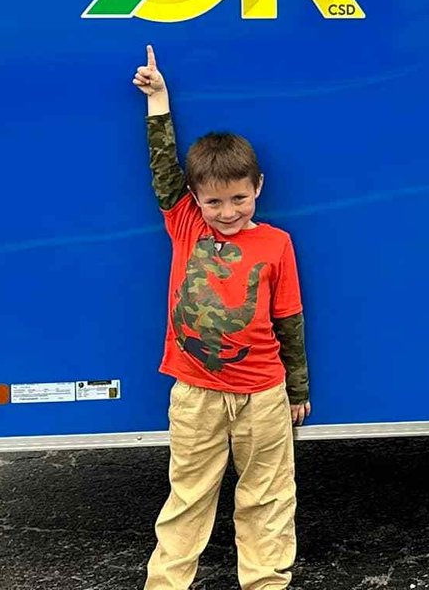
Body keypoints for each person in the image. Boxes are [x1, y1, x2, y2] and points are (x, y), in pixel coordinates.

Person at [133, 45, 311, 590]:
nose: (228, 212)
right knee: (188, 497)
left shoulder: (277, 243)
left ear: (257, 188)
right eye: (214, 202)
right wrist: (158, 101)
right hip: (196, 393)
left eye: (238, 198)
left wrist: (297, 388)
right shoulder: (186, 225)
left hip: (264, 394)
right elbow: (164, 170)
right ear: (195, 200)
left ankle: (266, 582)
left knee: (268, 498)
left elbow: (289, 318)